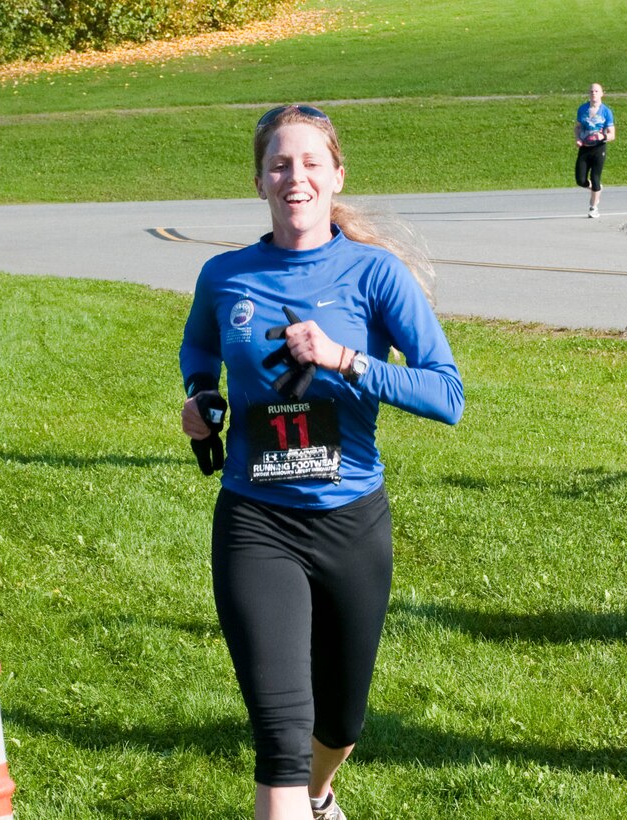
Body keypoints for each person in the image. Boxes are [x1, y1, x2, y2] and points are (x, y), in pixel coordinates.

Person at [179, 103, 464, 820]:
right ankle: (293, 790)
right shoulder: (225, 275)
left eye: (310, 163)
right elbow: (199, 353)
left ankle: (318, 794)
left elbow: (447, 394)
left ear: (337, 175)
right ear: (260, 181)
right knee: (279, 732)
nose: (295, 178)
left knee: (340, 723)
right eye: (280, 164)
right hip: (257, 522)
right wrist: (201, 402)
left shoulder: (375, 275)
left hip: (351, 524)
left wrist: (345, 359)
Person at [574, 82, 615, 218]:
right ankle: (596, 189)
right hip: (585, 148)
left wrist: (602, 135)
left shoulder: (606, 111)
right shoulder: (582, 109)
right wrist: (578, 138)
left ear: (602, 94)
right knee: (580, 180)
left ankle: (593, 207)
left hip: (599, 148)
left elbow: (612, 134)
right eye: (591, 91)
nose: (594, 93)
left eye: (597, 91)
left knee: (595, 177)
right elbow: (578, 127)